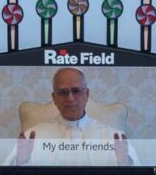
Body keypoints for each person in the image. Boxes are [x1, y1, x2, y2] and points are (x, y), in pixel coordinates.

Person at [7, 68, 137, 167]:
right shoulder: (31, 136)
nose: (70, 98)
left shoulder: (114, 137)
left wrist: (124, 162)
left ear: (87, 94)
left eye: (76, 91)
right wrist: (21, 161)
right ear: (54, 98)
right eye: (63, 92)